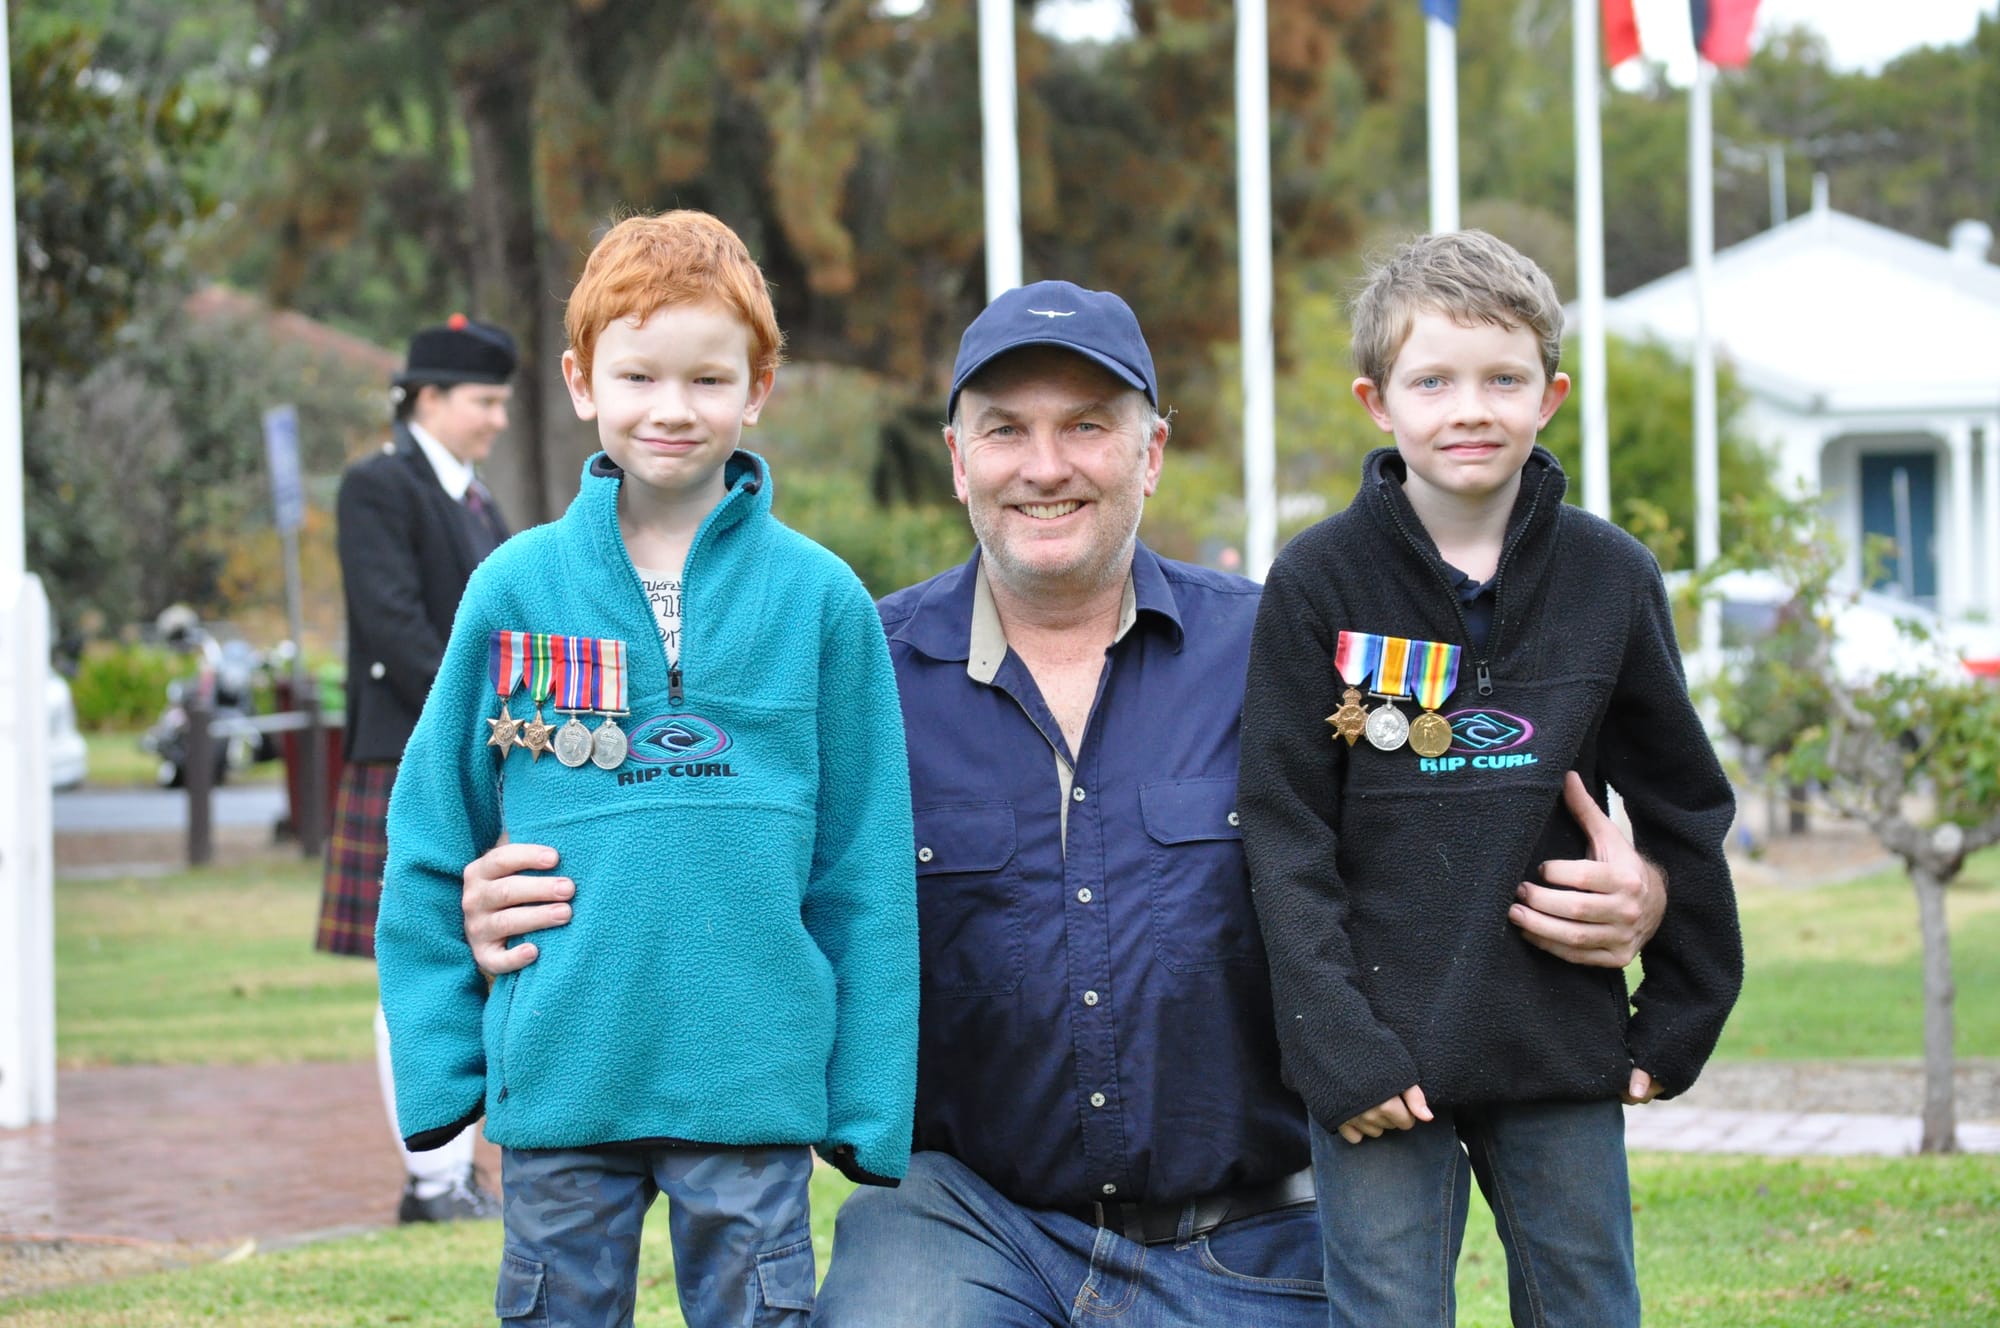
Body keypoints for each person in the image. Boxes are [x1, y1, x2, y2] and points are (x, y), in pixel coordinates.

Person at [458, 279, 1671, 1327]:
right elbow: (690, 821)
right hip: (964, 1217)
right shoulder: (853, 664)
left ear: (1149, 451)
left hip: (1253, 1231)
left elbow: (1459, 815)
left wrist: (1638, 891)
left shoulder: (1283, 647)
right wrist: (505, 886)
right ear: (956, 459)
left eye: (1087, 426)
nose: (1045, 465)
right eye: (1006, 429)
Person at [373, 210, 918, 1328]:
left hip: (750, 1088)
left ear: (757, 386)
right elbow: (432, 829)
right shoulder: (513, 589)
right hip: (565, 1074)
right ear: (580, 381)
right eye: (638, 374)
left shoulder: (823, 601)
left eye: (708, 378)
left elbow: (865, 862)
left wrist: (864, 1096)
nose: (672, 408)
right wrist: (439, 1070)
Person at [1236, 229, 1743, 1327]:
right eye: (1433, 380)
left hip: (1555, 1038)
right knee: (1384, 1311)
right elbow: (1281, 829)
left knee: (1587, 1303)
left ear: (1549, 394)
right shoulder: (1316, 580)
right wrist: (1337, 1043)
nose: (1469, 407)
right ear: (1376, 401)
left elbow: (1680, 799)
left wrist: (1679, 1014)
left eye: (1501, 378)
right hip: (1378, 1054)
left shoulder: (1610, 577)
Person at [314, 312, 517, 1223]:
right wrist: (481, 723)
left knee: (486, 961)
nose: (498, 420)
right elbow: (395, 626)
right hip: (410, 757)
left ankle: (463, 1173)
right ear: (427, 397)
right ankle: (430, 1179)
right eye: (485, 401)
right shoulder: (377, 487)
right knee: (421, 963)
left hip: (491, 755)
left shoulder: (481, 505)